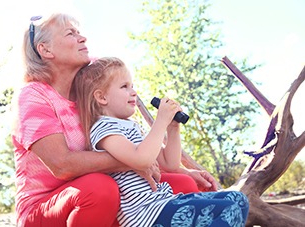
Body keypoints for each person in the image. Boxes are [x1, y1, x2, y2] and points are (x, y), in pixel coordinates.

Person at [12, 13, 218, 227]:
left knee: (182, 184)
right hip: (45, 208)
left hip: (107, 190)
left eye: (79, 32)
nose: (82, 38)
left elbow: (128, 145)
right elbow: (62, 165)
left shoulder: (92, 91)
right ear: (45, 50)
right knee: (100, 189)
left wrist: (183, 170)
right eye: (70, 34)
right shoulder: (33, 96)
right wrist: (135, 161)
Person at [71, 57, 249, 227]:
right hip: (146, 215)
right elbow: (141, 160)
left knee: (237, 199)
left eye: (132, 86)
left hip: (164, 201)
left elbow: (170, 163)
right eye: (124, 87)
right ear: (102, 97)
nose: (134, 92)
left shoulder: (132, 127)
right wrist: (160, 121)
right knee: (229, 208)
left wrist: (172, 128)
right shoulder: (104, 128)